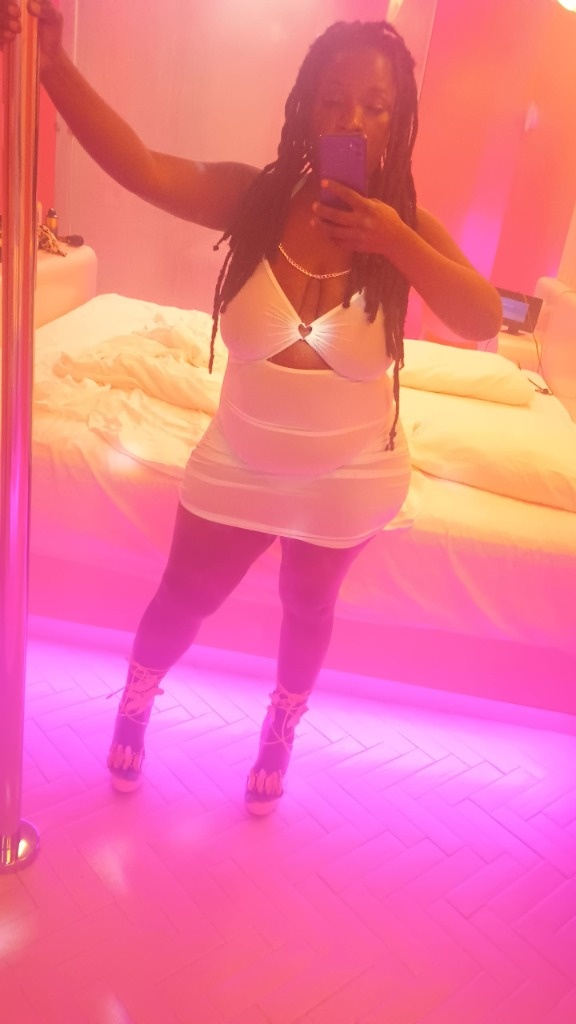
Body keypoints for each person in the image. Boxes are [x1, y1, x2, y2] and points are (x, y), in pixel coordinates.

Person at [1, 1, 502, 813]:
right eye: (335, 99)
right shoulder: (255, 200)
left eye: (376, 107)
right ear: (306, 106)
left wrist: (394, 240)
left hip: (350, 471)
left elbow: (481, 318)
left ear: (400, 120)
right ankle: (136, 701)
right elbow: (142, 167)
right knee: (183, 596)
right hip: (240, 456)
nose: (353, 120)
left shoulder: (408, 230)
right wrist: (53, 66)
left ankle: (281, 729)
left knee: (310, 604)